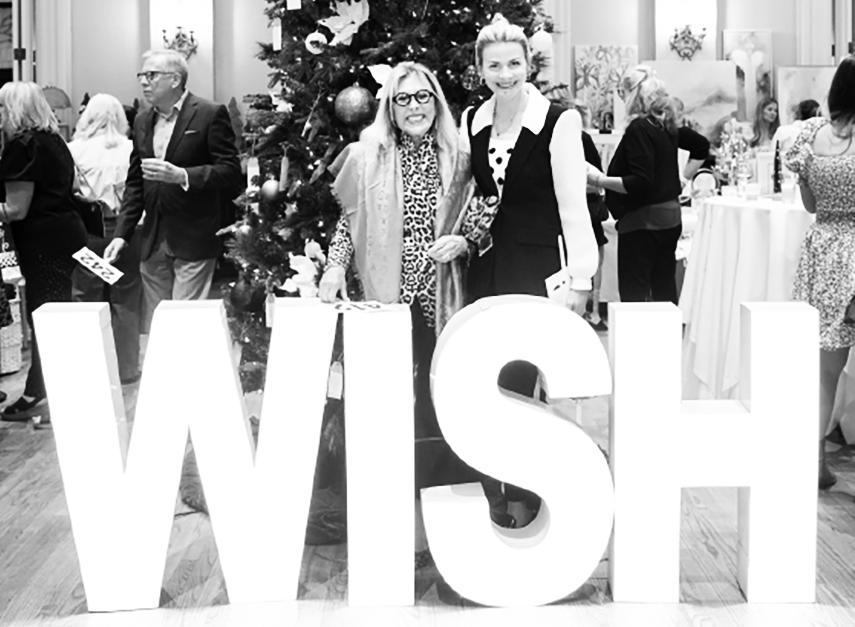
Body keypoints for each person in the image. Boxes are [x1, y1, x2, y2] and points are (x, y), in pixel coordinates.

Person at [318, 61, 478, 557]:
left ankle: (440, 504)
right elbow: (349, 221)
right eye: (403, 98)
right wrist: (335, 266)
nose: (414, 107)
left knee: (439, 398)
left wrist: (466, 241)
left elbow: (481, 216)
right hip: (386, 296)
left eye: (423, 96)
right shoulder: (367, 154)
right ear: (389, 106)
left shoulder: (461, 156)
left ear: (437, 102)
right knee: (383, 400)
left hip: (443, 295)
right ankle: (381, 505)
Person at [460, 15, 598, 527]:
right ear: (480, 69)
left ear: (528, 65)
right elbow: (472, 195)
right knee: (486, 382)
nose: (505, 74)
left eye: (514, 63)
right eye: (494, 65)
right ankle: (493, 489)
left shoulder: (558, 121)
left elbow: (573, 205)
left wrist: (581, 276)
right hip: (485, 270)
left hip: (535, 270)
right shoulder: (472, 120)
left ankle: (526, 494)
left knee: (523, 385)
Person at [103, 49, 241, 331]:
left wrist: (183, 176)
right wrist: (121, 234)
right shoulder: (142, 120)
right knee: (159, 324)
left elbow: (230, 171)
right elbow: (135, 183)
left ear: (175, 79)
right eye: (142, 75)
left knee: (184, 321)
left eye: (151, 75)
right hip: (153, 240)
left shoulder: (209, 113)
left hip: (194, 235)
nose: (144, 82)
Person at [784, 56, 855, 490]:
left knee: (825, 371)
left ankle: (816, 462)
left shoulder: (810, 138)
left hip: (823, 250)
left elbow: (810, 205)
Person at [0, 82, 87, 420]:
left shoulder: (22, 145)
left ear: (13, 109)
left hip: (42, 240)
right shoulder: (54, 140)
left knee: (46, 317)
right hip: (67, 231)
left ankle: (44, 393)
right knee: (56, 313)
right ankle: (49, 389)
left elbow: (15, 209)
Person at [588, 65, 706, 305]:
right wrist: (682, 179)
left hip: (643, 221)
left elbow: (639, 182)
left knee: (634, 295)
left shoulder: (640, 128)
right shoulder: (665, 126)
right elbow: (701, 146)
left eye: (623, 93)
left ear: (633, 95)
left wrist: (598, 180)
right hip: (669, 218)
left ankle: (639, 331)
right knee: (663, 288)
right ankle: (668, 329)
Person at [68, 93, 142, 385]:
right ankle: (127, 368)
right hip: (126, 232)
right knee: (126, 297)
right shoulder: (131, 148)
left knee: (86, 295)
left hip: (89, 233)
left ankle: (90, 367)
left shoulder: (73, 150)